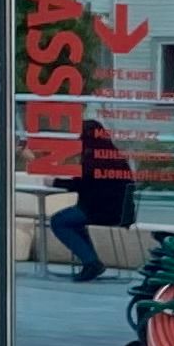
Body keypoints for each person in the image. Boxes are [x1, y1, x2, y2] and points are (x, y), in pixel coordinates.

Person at [46, 117, 136, 281]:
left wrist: (55, 182)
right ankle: (90, 262)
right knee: (73, 223)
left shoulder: (95, 159)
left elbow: (81, 184)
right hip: (118, 212)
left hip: (99, 212)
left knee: (59, 221)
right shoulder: (114, 155)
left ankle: (91, 262)